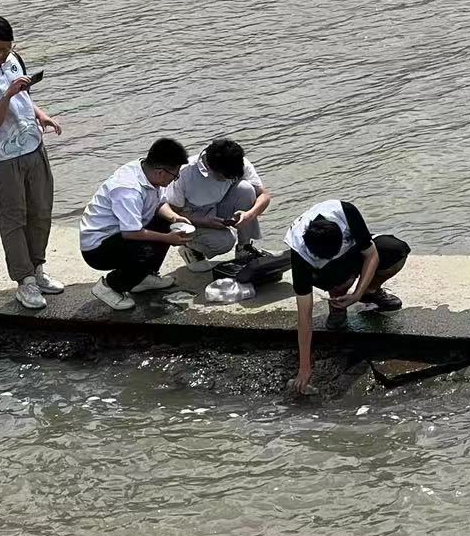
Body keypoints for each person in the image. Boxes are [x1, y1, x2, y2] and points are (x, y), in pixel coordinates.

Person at [0, 14, 63, 310]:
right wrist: (7, 94)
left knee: (41, 211)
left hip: (34, 149)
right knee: (13, 220)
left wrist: (42, 116)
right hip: (4, 160)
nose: (5, 55)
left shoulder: (14, 59)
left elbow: (25, 99)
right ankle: (24, 281)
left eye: (9, 47)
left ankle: (38, 269)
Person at [286, 200, 410, 394]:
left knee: (396, 249)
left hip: (351, 253)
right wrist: (304, 367)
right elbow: (304, 315)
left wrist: (358, 293)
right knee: (340, 278)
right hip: (325, 273)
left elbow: (372, 255)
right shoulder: (299, 253)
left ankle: (370, 291)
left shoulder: (345, 212)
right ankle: (337, 306)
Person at [78, 139, 195, 309]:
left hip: (123, 234)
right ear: (161, 172)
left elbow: (160, 203)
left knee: (166, 223)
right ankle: (109, 286)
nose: (175, 179)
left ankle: (142, 278)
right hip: (98, 247)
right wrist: (167, 238)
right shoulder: (127, 189)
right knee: (147, 248)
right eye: (175, 175)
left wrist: (175, 218)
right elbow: (131, 233)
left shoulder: (148, 172)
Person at [164, 138, 273, 271]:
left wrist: (249, 215)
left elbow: (264, 195)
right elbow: (173, 212)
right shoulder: (185, 173)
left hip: (218, 205)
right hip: (192, 215)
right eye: (227, 177)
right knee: (226, 242)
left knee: (246, 189)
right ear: (211, 169)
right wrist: (204, 221)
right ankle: (190, 249)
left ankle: (244, 248)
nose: (230, 179)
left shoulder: (237, 162)